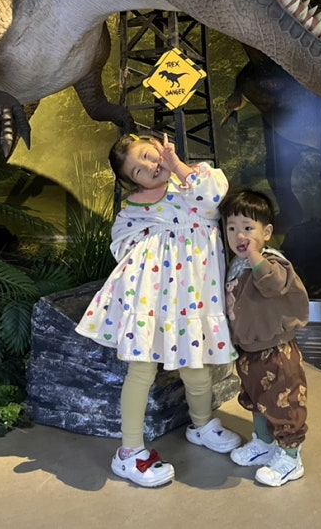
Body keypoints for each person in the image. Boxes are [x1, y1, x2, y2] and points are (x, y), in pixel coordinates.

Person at [75, 131, 241, 487]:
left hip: (194, 299)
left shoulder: (194, 180)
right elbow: (122, 246)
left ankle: (201, 425)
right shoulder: (132, 210)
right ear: (132, 182)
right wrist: (157, 243)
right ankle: (129, 451)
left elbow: (213, 199)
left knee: (197, 368)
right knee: (141, 371)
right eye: (138, 170)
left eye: (149, 155)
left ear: (161, 146)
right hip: (150, 303)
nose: (150, 166)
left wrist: (178, 166)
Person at [219, 187, 310, 487]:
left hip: (277, 350)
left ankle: (290, 456)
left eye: (248, 228)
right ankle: (264, 443)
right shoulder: (236, 264)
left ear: (267, 232)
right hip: (249, 350)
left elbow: (273, 284)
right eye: (232, 228)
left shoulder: (272, 261)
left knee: (284, 403)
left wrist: (255, 255)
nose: (239, 235)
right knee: (257, 400)